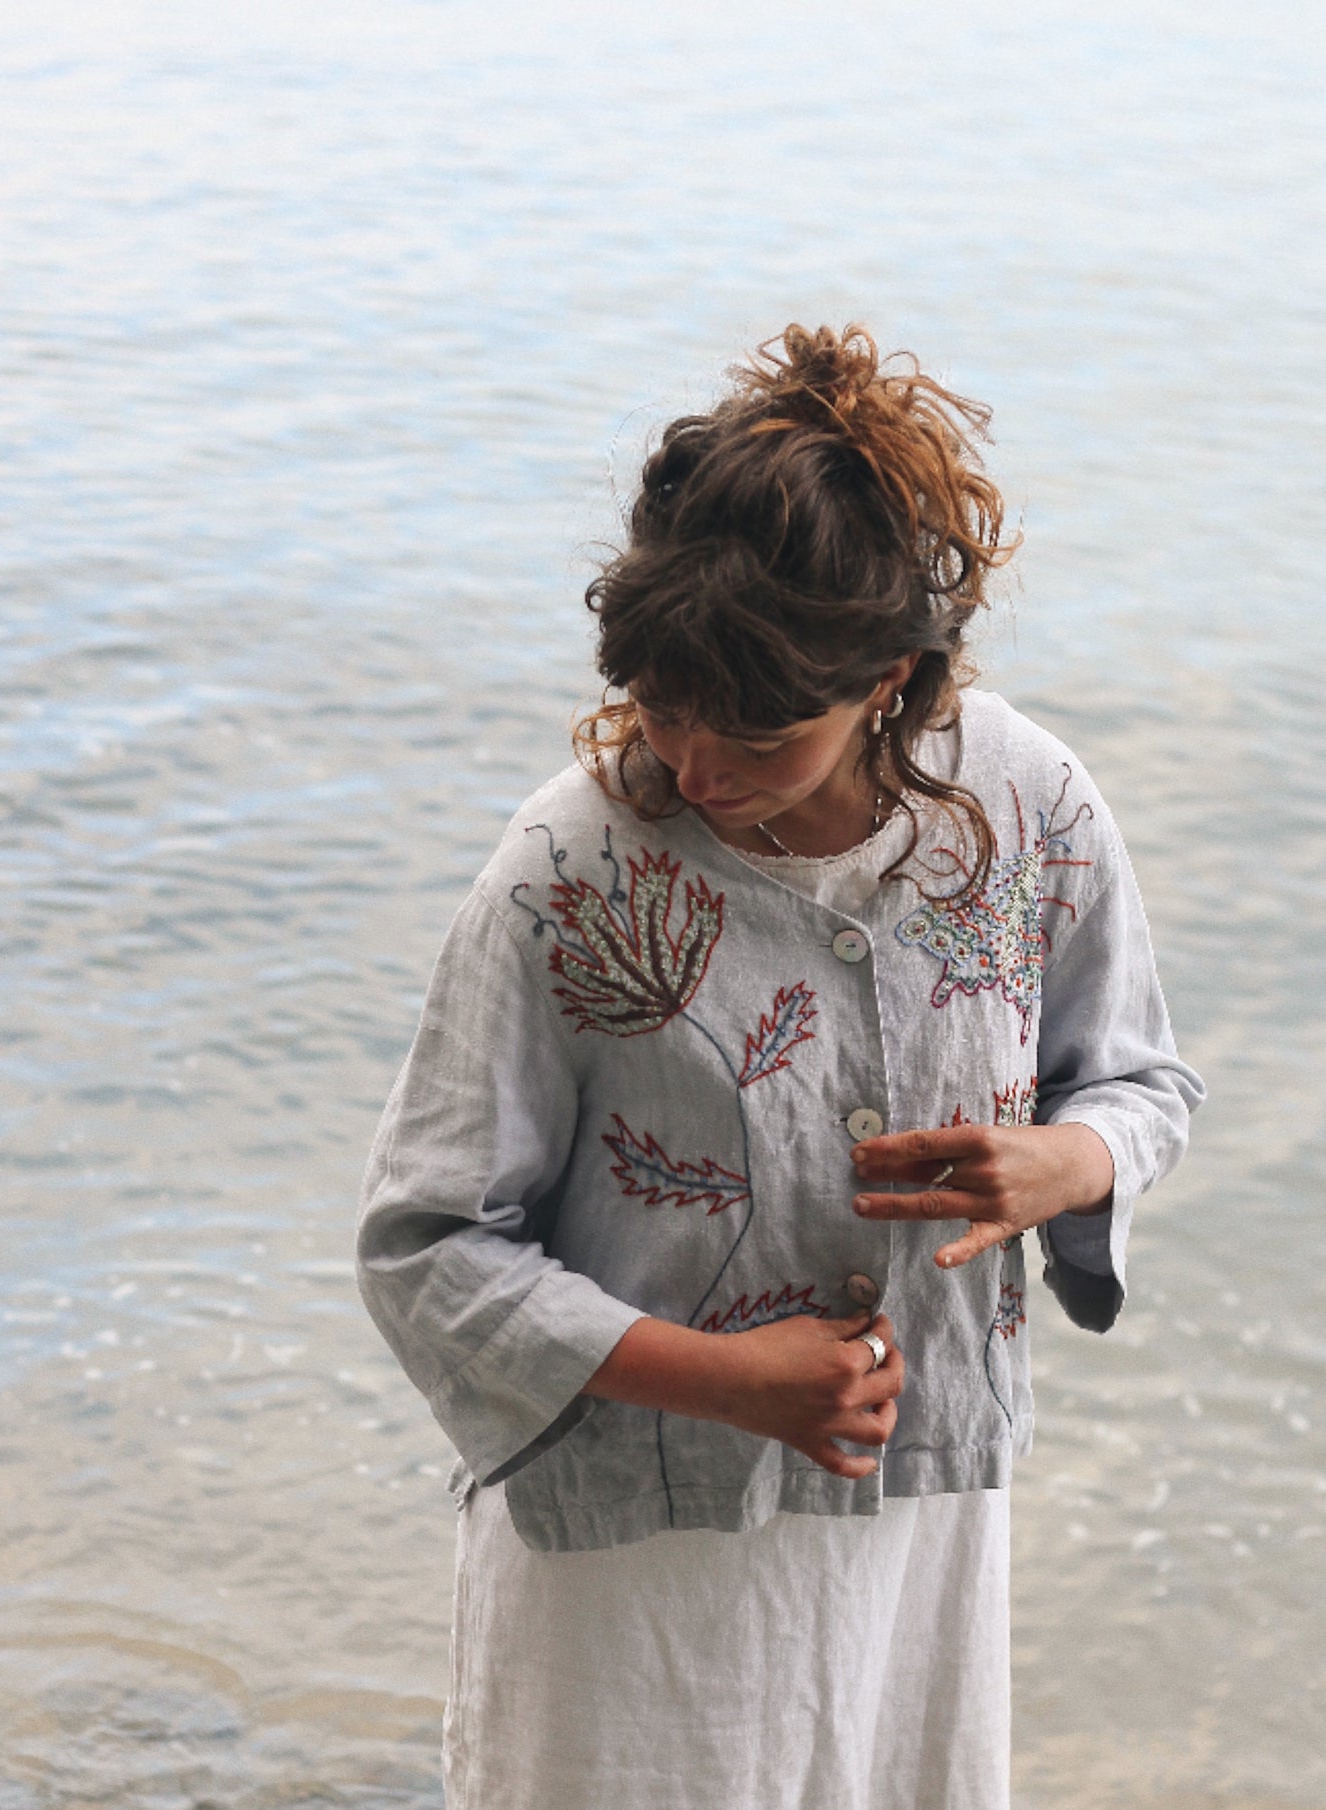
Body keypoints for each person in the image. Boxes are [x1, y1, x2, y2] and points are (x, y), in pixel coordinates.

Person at [356, 323, 1204, 1810]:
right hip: (632, 1575)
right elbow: (425, 1248)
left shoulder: (1030, 806)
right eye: (664, 700)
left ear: (887, 676)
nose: (688, 762)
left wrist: (1063, 1161)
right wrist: (731, 1382)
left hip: (917, 1539)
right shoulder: (569, 870)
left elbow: (1138, 1085)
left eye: (753, 727)